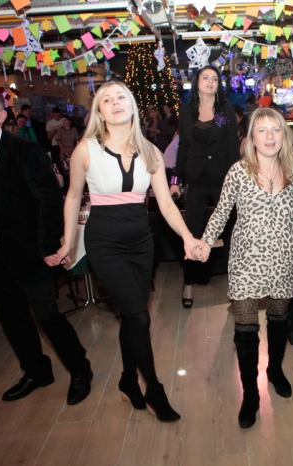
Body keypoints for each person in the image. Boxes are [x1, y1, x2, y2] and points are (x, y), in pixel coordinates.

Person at [53, 81, 208, 423]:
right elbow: (73, 196)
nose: (115, 102)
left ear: (133, 105)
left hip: (141, 243)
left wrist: (187, 237)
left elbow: (165, 203)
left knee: (132, 314)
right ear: (99, 112)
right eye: (106, 99)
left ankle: (127, 380)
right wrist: (68, 242)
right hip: (104, 243)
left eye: (121, 96)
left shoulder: (150, 151)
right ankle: (154, 389)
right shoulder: (86, 150)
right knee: (139, 317)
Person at [198, 108, 293, 429]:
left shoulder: (292, 170)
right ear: (251, 137)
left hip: (281, 260)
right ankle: (251, 393)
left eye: (275, 130)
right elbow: (221, 212)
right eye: (262, 130)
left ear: (284, 135)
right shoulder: (238, 172)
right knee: (246, 327)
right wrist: (205, 242)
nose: (269, 136)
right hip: (246, 262)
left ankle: (275, 369)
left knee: (279, 319)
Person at [0, 85, 92, 405]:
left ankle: (80, 369)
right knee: (12, 319)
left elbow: (49, 201)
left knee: (48, 316)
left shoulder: (24, 150)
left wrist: (49, 248)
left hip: (31, 253)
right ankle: (36, 371)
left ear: (1, 115)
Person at [170, 65, 241, 308]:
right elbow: (183, 148)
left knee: (231, 233)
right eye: (205, 77)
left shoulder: (226, 111)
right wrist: (175, 181)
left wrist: (237, 180)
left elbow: (232, 147)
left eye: (214, 78)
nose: (210, 81)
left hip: (223, 180)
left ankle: (236, 285)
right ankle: (188, 282)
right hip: (196, 179)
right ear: (197, 82)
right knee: (192, 234)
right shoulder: (186, 112)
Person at [46, 107, 64, 172]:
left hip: (64, 143)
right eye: (55, 115)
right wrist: (54, 132)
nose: (57, 117)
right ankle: (57, 173)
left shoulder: (63, 121)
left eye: (58, 115)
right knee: (55, 161)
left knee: (64, 161)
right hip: (55, 144)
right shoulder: (50, 123)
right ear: (52, 114)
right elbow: (49, 137)